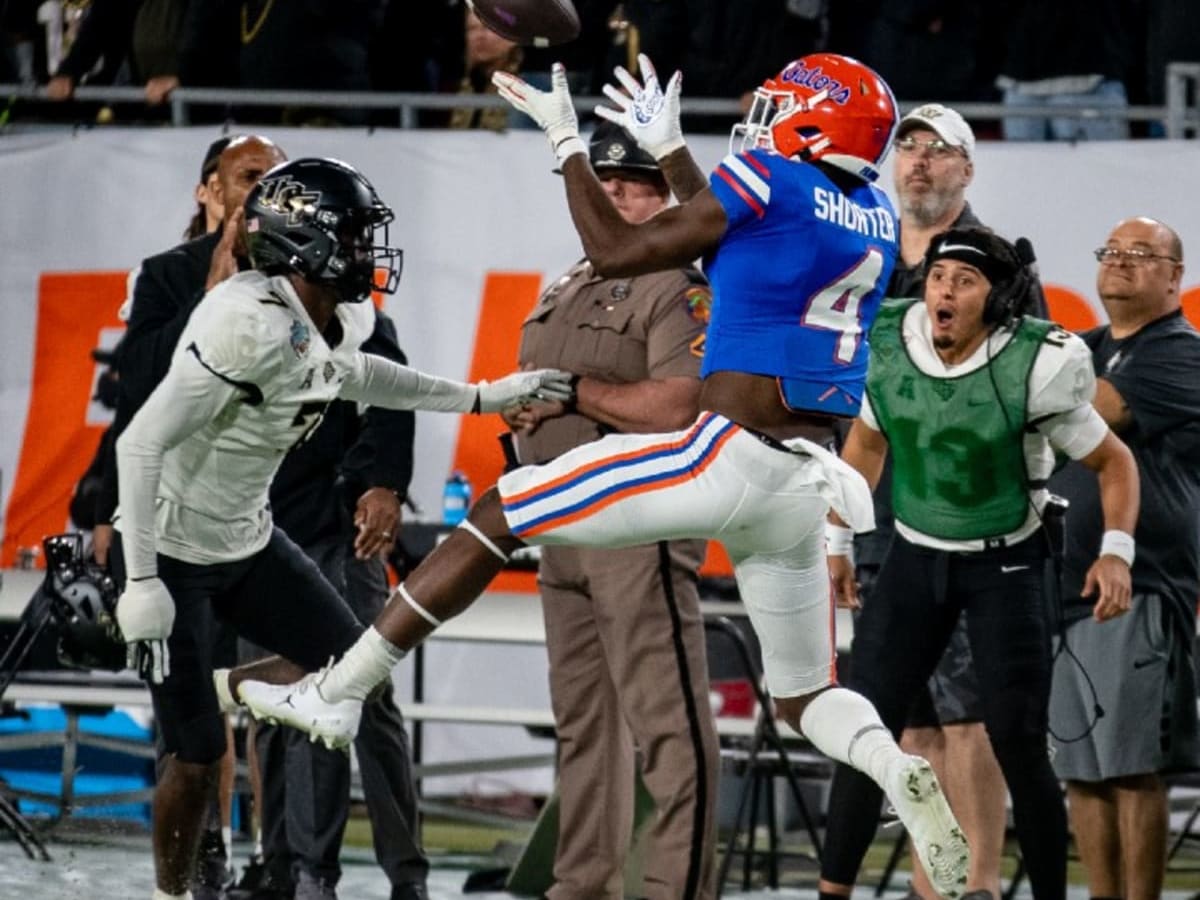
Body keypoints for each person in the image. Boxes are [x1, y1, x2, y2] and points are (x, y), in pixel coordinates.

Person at [232, 52, 975, 899]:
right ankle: (893, 763)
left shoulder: (769, 178)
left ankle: (342, 688)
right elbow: (740, 246)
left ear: (813, 121)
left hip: (724, 455)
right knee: (807, 697)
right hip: (806, 481)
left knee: (501, 508)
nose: (763, 119)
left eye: (781, 107)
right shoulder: (873, 210)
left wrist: (564, 143)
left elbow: (616, 249)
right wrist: (671, 155)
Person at [110, 155, 571, 900]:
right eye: (354, 238)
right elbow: (139, 442)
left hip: (248, 536)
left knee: (356, 665)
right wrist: (137, 580)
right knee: (196, 757)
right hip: (170, 547)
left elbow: (362, 375)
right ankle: (172, 894)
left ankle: (225, 685)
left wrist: (484, 397)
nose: (366, 254)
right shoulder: (242, 324)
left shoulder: (334, 315)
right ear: (303, 242)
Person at [817, 227, 1140, 900]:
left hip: (1007, 562)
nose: (944, 292)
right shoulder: (891, 337)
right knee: (864, 724)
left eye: (964, 283)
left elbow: (1115, 461)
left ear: (997, 301)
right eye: (939, 279)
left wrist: (1116, 551)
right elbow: (868, 445)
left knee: (1018, 739)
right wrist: (839, 544)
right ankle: (832, 892)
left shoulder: (1036, 360)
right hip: (914, 551)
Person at [500, 120, 718, 900]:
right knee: (585, 728)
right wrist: (528, 406)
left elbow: (679, 405)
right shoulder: (570, 279)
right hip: (564, 525)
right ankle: (580, 886)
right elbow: (542, 380)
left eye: (639, 185)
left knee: (668, 731)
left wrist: (571, 392)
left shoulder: (681, 285)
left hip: (638, 521)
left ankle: (673, 891)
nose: (620, 196)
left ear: (668, 201)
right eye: (610, 184)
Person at [859, 103, 1046, 900]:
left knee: (973, 716)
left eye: (941, 151)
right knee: (911, 716)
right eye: (909, 146)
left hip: (968, 520)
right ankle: (933, 884)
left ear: (968, 170)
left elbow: (1030, 392)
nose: (922, 162)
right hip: (881, 516)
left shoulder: (997, 266)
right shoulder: (863, 257)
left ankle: (978, 886)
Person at [1047, 217, 1200, 900]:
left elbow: (1092, 412)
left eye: (1142, 255)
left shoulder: (1182, 353)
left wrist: (1032, 393)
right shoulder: (1087, 346)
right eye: (1111, 251)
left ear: (1175, 277)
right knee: (1081, 764)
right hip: (1063, 584)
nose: (1121, 263)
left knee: (1134, 766)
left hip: (1139, 584)